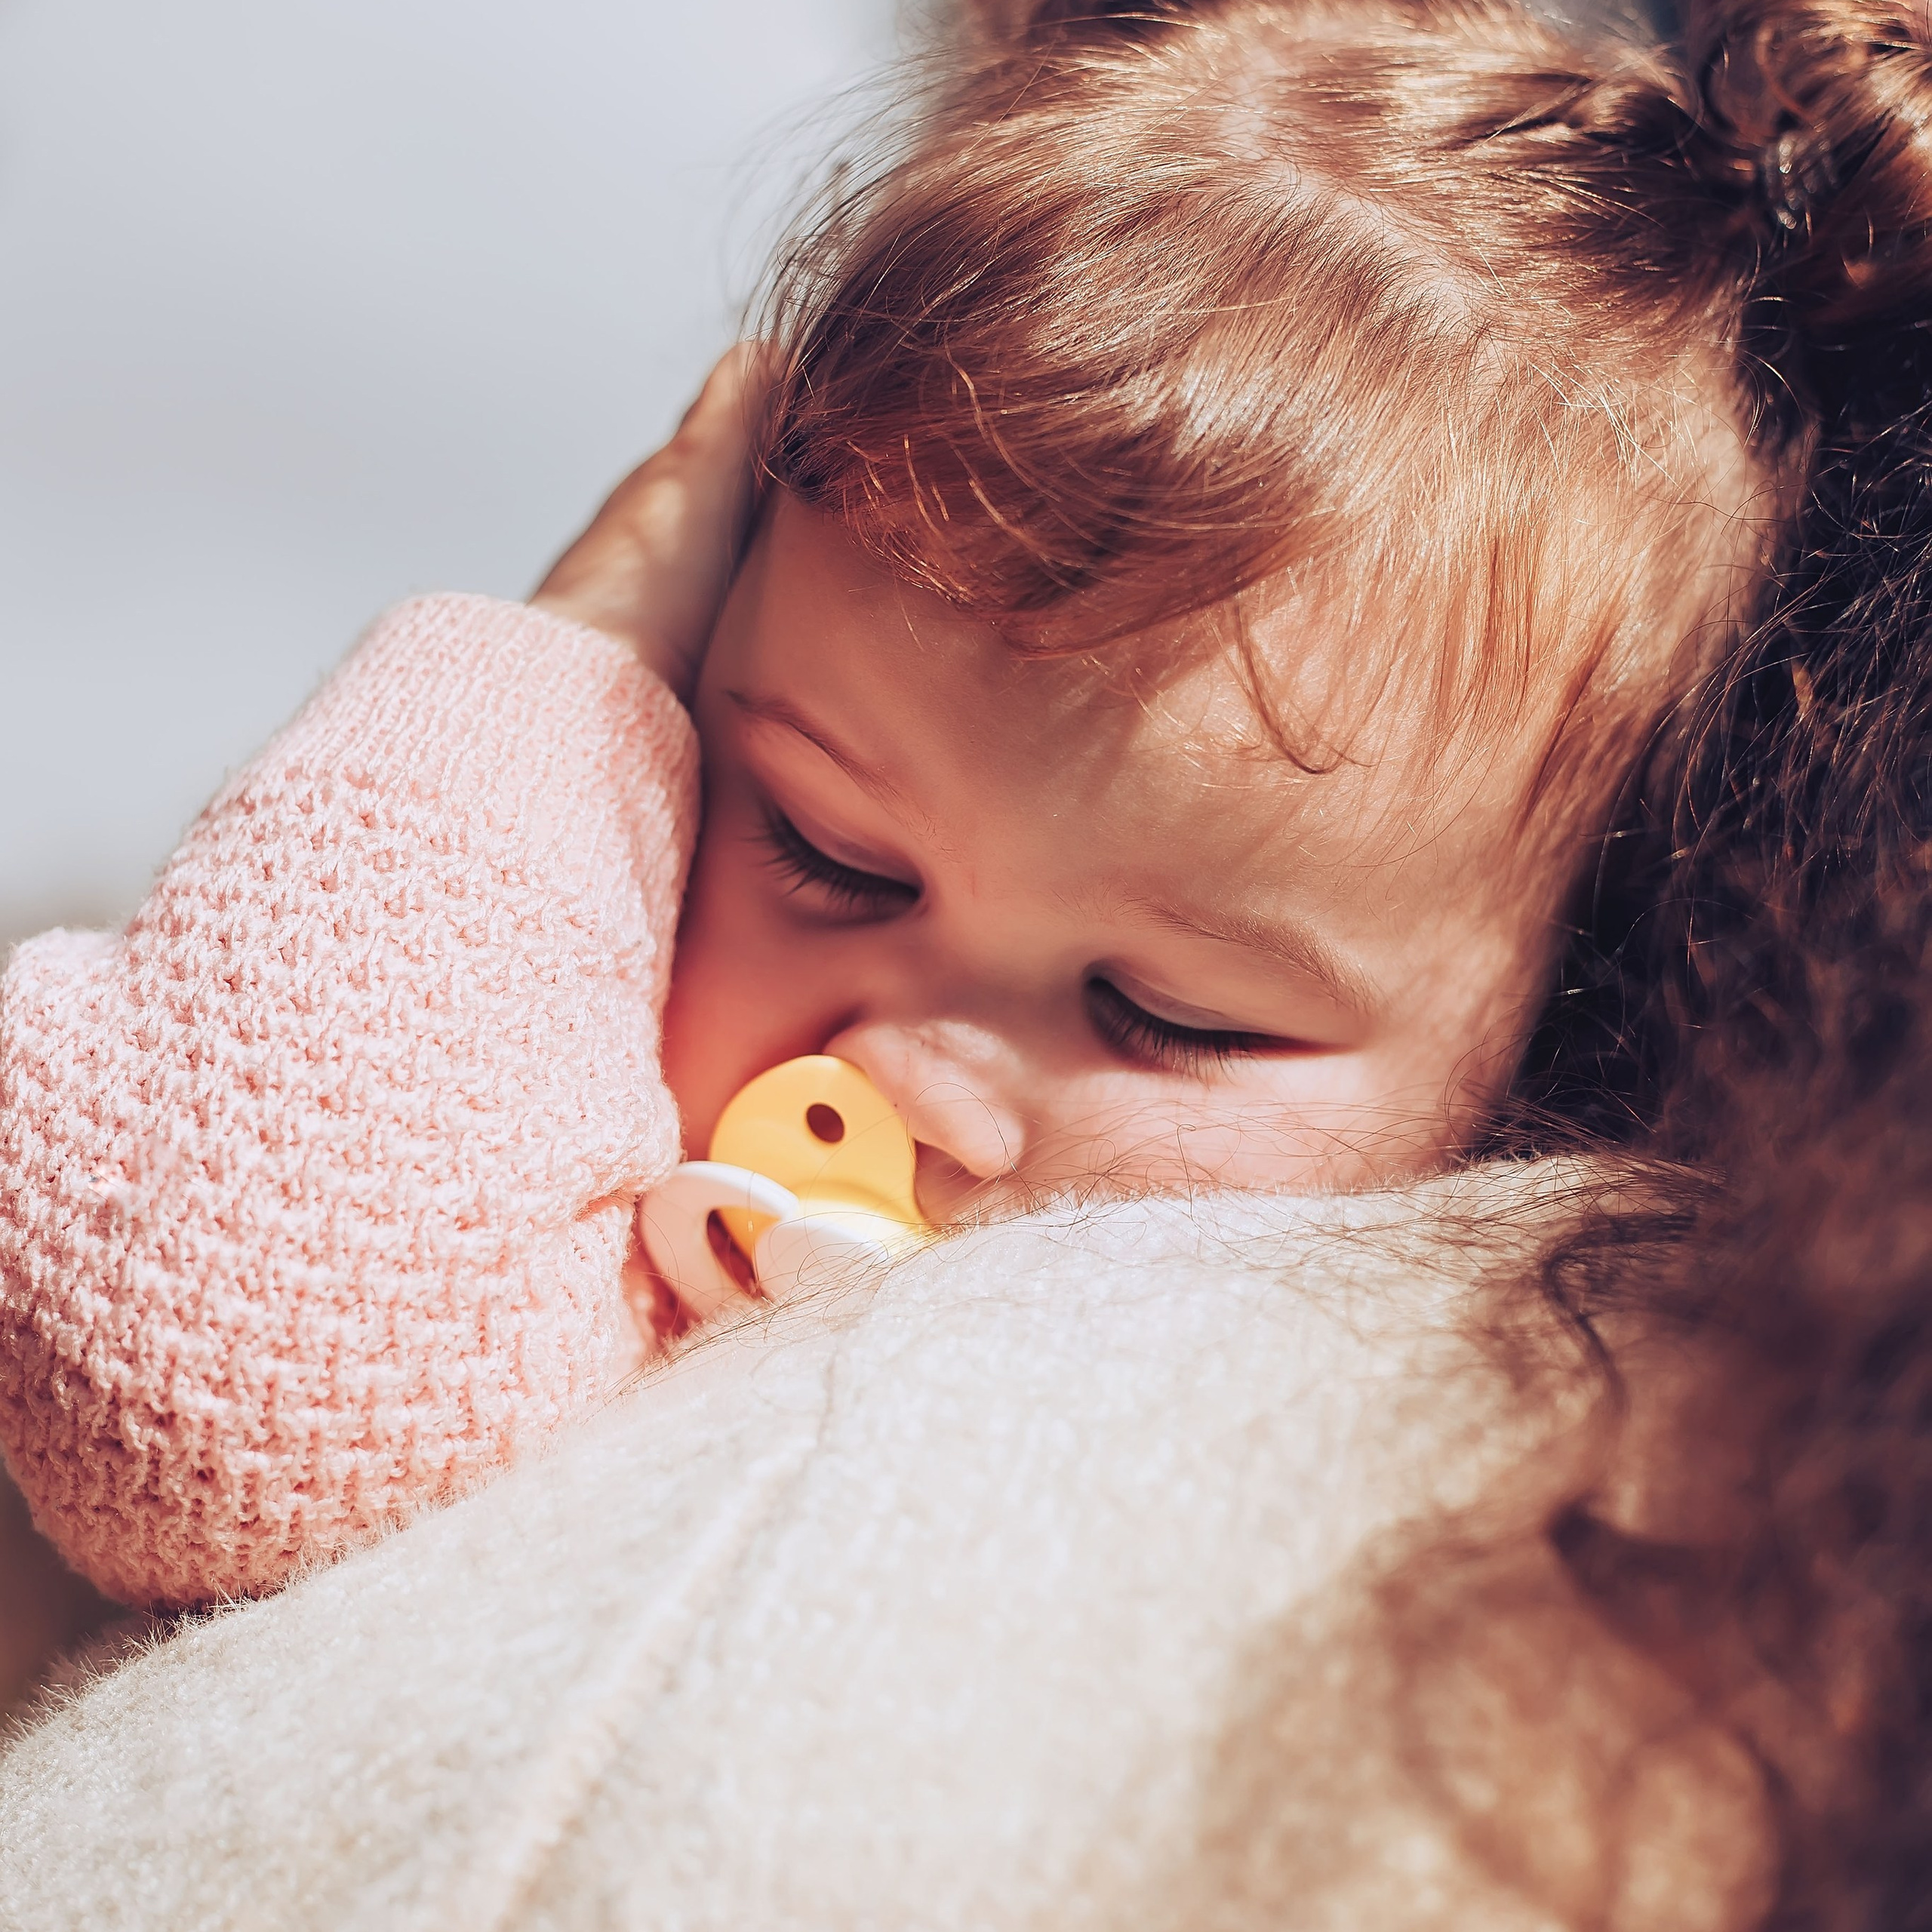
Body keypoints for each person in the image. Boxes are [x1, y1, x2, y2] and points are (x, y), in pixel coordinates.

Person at [0, 16, 1925, 1904]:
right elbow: (200, 1357)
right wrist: (557, 681)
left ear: (1532, 1036)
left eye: (1163, 1012)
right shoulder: (515, 1117)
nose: (914, 1078)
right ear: (703, 682)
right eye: (827, 852)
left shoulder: (1445, 1425)